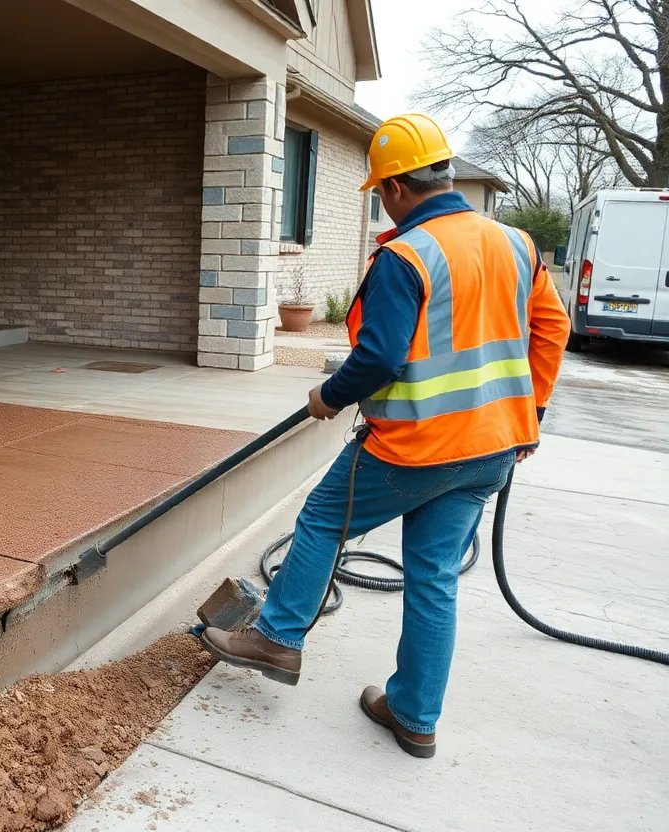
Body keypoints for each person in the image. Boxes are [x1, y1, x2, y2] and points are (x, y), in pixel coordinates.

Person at [199, 113, 571, 758]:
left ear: (397, 187)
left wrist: (327, 396)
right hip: (492, 451)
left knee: (319, 522)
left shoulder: (406, 255)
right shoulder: (517, 243)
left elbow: (379, 359)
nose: (382, 202)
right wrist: (527, 414)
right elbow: (552, 329)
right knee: (433, 577)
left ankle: (279, 638)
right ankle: (414, 716)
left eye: (380, 191)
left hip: (417, 447)